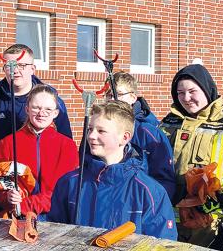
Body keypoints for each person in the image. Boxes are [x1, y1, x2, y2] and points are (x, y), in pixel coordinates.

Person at [160, 64, 223, 248]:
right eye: (180, 92)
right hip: (170, 219)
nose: (186, 98)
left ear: (207, 89)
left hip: (213, 223)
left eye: (192, 91)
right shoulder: (168, 123)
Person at [48, 101, 177, 240]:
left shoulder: (149, 191)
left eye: (101, 131)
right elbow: (55, 233)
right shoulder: (70, 182)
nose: (91, 136)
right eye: (90, 129)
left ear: (125, 137)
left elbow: (162, 245)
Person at [0, 85, 78, 219]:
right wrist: (8, 197)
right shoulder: (7, 143)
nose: (41, 113)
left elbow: (65, 190)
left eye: (48, 109)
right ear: (27, 109)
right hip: (18, 219)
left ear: (56, 113)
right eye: (36, 108)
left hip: (56, 217)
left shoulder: (67, 145)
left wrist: (26, 205)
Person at [0, 43, 72, 159]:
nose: (15, 70)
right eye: (10, 65)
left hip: (44, 173)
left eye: (21, 65)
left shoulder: (52, 101)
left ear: (32, 69)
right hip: (1, 171)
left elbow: (66, 145)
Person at [111, 72, 176, 199]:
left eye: (118, 94)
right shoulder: (96, 131)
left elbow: (164, 180)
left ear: (133, 97)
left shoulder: (149, 133)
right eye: (108, 94)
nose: (112, 99)